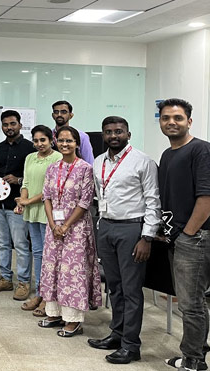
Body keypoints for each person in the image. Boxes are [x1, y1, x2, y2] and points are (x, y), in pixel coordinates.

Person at [88, 116, 161, 364]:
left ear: (128, 134)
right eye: (108, 132)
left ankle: (131, 345)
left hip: (132, 230)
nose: (113, 136)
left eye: (119, 131)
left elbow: (153, 201)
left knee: (131, 290)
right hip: (106, 227)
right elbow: (100, 196)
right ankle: (117, 334)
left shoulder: (143, 161)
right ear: (103, 135)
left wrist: (147, 236)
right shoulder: (99, 162)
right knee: (115, 288)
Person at [157, 99, 210, 371]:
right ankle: (196, 352)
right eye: (166, 118)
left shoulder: (201, 150)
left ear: (189, 121)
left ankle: (194, 361)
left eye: (178, 118)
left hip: (195, 238)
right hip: (176, 237)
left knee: (190, 305)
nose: (171, 122)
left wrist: (188, 233)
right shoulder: (167, 155)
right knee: (193, 302)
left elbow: (207, 198)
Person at [37, 126, 101, 338]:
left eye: (69, 141)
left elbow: (85, 202)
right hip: (54, 228)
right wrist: (54, 224)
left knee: (72, 273)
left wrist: (66, 226)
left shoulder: (84, 169)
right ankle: (54, 313)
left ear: (77, 143)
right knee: (52, 268)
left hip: (76, 229)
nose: (65, 144)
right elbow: (46, 197)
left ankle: (73, 320)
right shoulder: (52, 168)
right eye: (61, 140)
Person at [0, 110, 35, 301]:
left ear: (20, 125)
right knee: (3, 244)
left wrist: (18, 179)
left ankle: (23, 282)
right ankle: (6, 278)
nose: (9, 128)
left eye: (13, 124)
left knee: (21, 245)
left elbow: (34, 178)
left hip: (18, 205)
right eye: (5, 125)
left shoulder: (30, 149)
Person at [15, 125, 62, 315]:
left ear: (52, 140)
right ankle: (40, 294)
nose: (39, 144)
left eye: (43, 140)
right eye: (35, 140)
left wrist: (27, 200)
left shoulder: (57, 158)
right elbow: (25, 183)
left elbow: (50, 189)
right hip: (32, 212)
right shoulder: (30, 158)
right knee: (37, 253)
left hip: (48, 213)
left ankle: (49, 298)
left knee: (50, 257)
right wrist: (22, 202)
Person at [50, 100, 94, 165]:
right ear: (53, 115)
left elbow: (89, 162)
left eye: (63, 112)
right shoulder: (48, 136)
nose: (59, 115)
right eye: (56, 112)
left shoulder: (81, 136)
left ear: (71, 115)